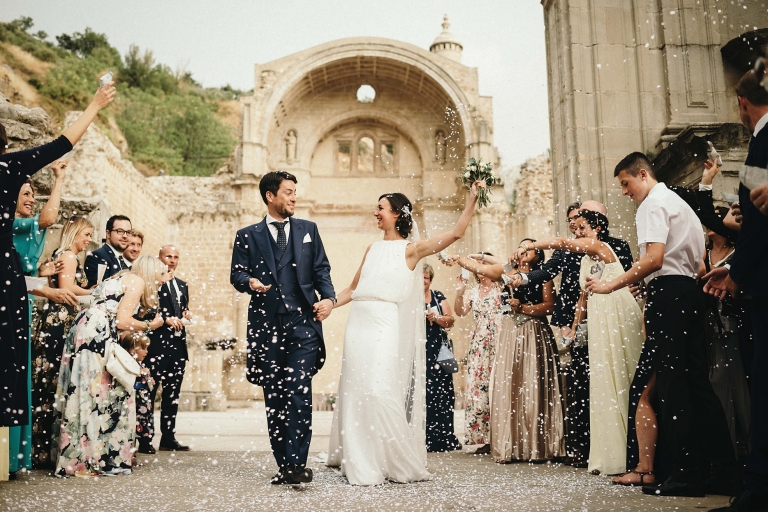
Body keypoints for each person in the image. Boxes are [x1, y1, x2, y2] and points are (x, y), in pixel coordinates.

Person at [587, 152, 739, 497]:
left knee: (674, 387)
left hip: (669, 296)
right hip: (687, 294)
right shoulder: (679, 203)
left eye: (626, 183)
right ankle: (723, 471)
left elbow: (654, 259)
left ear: (642, 174)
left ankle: (686, 475)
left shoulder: (652, 204)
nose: (624, 191)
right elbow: (697, 267)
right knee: (697, 385)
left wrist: (611, 285)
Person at [327, 181, 484, 485]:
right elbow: (353, 288)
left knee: (378, 389)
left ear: (397, 214)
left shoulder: (412, 250)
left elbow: (456, 233)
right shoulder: (372, 249)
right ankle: (358, 456)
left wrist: (471, 200)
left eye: (381, 208)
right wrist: (330, 304)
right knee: (356, 389)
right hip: (358, 323)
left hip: (384, 322)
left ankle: (388, 456)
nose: (376, 213)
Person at [0, 82, 115, 478]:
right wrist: (94, 104)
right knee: (7, 364)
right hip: (5, 275)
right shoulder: (7, 168)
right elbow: (62, 143)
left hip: (9, 276)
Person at [516, 211, 644, 475]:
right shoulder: (587, 258)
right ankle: (612, 449)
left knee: (623, 375)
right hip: (598, 322)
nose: (578, 233)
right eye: (575, 228)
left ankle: (635, 449)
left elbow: (563, 243)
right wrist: (574, 329)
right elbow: (583, 298)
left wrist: (532, 245)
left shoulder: (601, 247)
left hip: (617, 315)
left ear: (598, 229)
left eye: (583, 227)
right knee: (603, 382)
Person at [230, 171, 336, 486]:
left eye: (294, 192)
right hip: (266, 326)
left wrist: (329, 299)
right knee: (275, 397)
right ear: (270, 196)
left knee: (299, 391)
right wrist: (249, 281)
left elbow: (321, 269)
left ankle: (297, 464)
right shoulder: (247, 235)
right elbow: (237, 274)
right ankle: (284, 464)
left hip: (303, 324)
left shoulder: (308, 230)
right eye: (288, 192)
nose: (294, 197)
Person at [704, 66, 768, 511]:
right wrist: (732, 268)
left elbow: (758, 228)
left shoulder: (763, 141)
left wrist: (738, 273)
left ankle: (759, 491)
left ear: (742, 104)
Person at [449, 240, 564, 463]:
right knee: (509, 387)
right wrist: (469, 259)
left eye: (528, 248)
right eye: (520, 247)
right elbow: (492, 266)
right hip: (509, 333)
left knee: (532, 384)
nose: (522, 250)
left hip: (532, 331)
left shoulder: (543, 275)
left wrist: (524, 308)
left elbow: (550, 306)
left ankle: (536, 444)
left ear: (537, 254)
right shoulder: (510, 273)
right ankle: (511, 442)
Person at [52, 256, 168, 477]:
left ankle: (82, 453)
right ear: (151, 273)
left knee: (84, 390)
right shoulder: (137, 281)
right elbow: (122, 321)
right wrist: (150, 326)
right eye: (162, 274)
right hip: (96, 332)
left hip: (85, 326)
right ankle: (96, 456)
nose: (164, 279)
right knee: (101, 391)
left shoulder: (121, 276)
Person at [507, 203, 587, 465]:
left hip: (596, 315)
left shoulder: (607, 245)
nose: (574, 223)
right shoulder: (562, 252)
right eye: (570, 219)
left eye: (579, 218)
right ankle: (580, 444)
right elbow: (546, 271)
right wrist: (521, 278)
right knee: (578, 383)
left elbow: (549, 299)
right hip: (571, 322)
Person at [7, 160, 68, 476]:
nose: (32, 199)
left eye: (33, 194)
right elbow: (48, 218)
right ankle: (7, 456)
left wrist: (41, 275)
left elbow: (22, 277)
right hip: (10, 308)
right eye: (26, 194)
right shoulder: (11, 225)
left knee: (21, 376)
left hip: (22, 307)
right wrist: (58, 179)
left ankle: (13, 457)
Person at [30, 216, 94, 469]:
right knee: (54, 380)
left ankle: (42, 447)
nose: (88, 240)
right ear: (74, 233)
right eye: (86, 234)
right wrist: (94, 291)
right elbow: (67, 288)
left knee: (50, 382)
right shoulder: (69, 256)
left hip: (55, 320)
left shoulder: (62, 255)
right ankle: (47, 449)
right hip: (60, 321)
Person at [703, 207, 750, 461]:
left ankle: (749, 445)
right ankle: (726, 449)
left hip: (734, 321)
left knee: (740, 381)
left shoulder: (738, 251)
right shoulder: (703, 252)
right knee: (716, 379)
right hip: (710, 323)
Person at [141, 245, 192, 453]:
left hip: (178, 348)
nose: (172, 260)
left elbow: (182, 308)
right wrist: (165, 319)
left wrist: (186, 313)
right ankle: (145, 439)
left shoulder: (182, 285)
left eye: (175, 257)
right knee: (149, 393)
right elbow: (146, 310)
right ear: (159, 258)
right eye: (168, 256)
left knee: (172, 395)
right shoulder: (152, 282)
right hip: (155, 346)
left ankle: (168, 437)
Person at [453, 253, 502, 454]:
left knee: (498, 386)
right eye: (477, 266)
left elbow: (505, 265)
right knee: (479, 389)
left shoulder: (501, 285)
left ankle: (501, 436)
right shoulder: (473, 291)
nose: (480, 269)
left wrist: (482, 257)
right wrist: (459, 293)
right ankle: (485, 438)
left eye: (484, 265)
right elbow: (460, 312)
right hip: (480, 345)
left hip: (499, 341)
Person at [422, 263, 461, 453]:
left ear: (430, 280)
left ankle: (443, 437)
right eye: (419, 277)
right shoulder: (409, 298)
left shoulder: (438, 296)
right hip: (419, 351)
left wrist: (436, 318)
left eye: (425, 278)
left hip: (437, 351)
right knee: (424, 393)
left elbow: (450, 320)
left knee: (442, 393)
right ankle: (424, 437)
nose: (422, 281)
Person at [125, 332, 155, 452]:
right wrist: (139, 372)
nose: (146, 351)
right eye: (143, 348)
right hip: (137, 400)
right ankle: (135, 446)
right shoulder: (128, 363)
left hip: (144, 400)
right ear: (132, 349)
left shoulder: (139, 363)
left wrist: (149, 379)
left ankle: (145, 442)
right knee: (136, 422)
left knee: (145, 421)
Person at [84, 214, 132, 286]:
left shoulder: (123, 261)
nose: (125, 236)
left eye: (128, 232)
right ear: (108, 233)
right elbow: (99, 289)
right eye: (120, 231)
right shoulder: (97, 257)